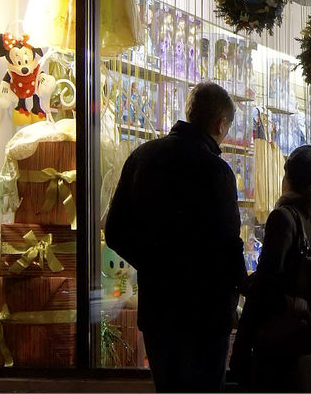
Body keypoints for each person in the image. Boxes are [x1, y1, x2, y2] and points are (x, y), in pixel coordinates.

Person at [105, 81, 246, 393]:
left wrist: (155, 263)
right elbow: (229, 244)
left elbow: (114, 230)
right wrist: (245, 288)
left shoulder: (142, 156)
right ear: (221, 124)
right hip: (206, 313)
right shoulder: (216, 170)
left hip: (159, 308)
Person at [231, 145, 311, 393]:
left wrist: (241, 349)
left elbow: (264, 290)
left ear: (288, 178)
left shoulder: (284, 219)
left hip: (287, 360)